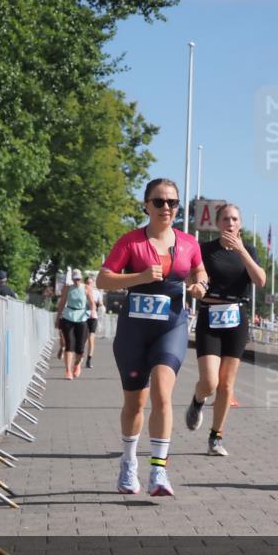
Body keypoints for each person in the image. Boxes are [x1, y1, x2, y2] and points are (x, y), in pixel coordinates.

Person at [96, 178, 207, 496]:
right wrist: (141, 276)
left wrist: (200, 285)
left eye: (173, 203)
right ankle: (128, 462)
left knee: (162, 392)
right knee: (134, 403)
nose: (167, 208)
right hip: (134, 331)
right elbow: (104, 280)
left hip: (170, 328)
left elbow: (199, 272)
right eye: (159, 202)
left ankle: (158, 472)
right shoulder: (130, 242)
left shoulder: (188, 243)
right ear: (146, 205)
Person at [185, 204, 267, 456]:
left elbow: (261, 281)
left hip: (236, 319)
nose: (230, 223)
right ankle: (198, 401)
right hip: (210, 315)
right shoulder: (206, 250)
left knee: (226, 384)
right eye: (225, 219)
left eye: (234, 219)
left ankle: (215, 436)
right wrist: (195, 287)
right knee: (209, 382)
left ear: (240, 224)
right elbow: (191, 275)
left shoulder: (248, 250)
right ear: (218, 224)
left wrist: (242, 250)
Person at [55, 269, 95, 380]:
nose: (76, 281)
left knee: (80, 348)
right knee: (69, 344)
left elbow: (92, 303)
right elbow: (62, 303)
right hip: (68, 317)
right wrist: (58, 317)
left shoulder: (86, 288)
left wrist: (92, 312)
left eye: (78, 279)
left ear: (81, 279)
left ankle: (77, 365)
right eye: (75, 279)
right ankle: (68, 371)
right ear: (72, 279)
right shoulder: (67, 288)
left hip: (81, 318)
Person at [84, 275, 105, 369]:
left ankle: (89, 359)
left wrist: (101, 305)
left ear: (93, 283)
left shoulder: (97, 293)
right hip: (82, 317)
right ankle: (79, 357)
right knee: (83, 338)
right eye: (87, 283)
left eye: (90, 283)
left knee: (91, 338)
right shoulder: (82, 292)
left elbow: (100, 303)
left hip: (93, 316)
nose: (89, 284)